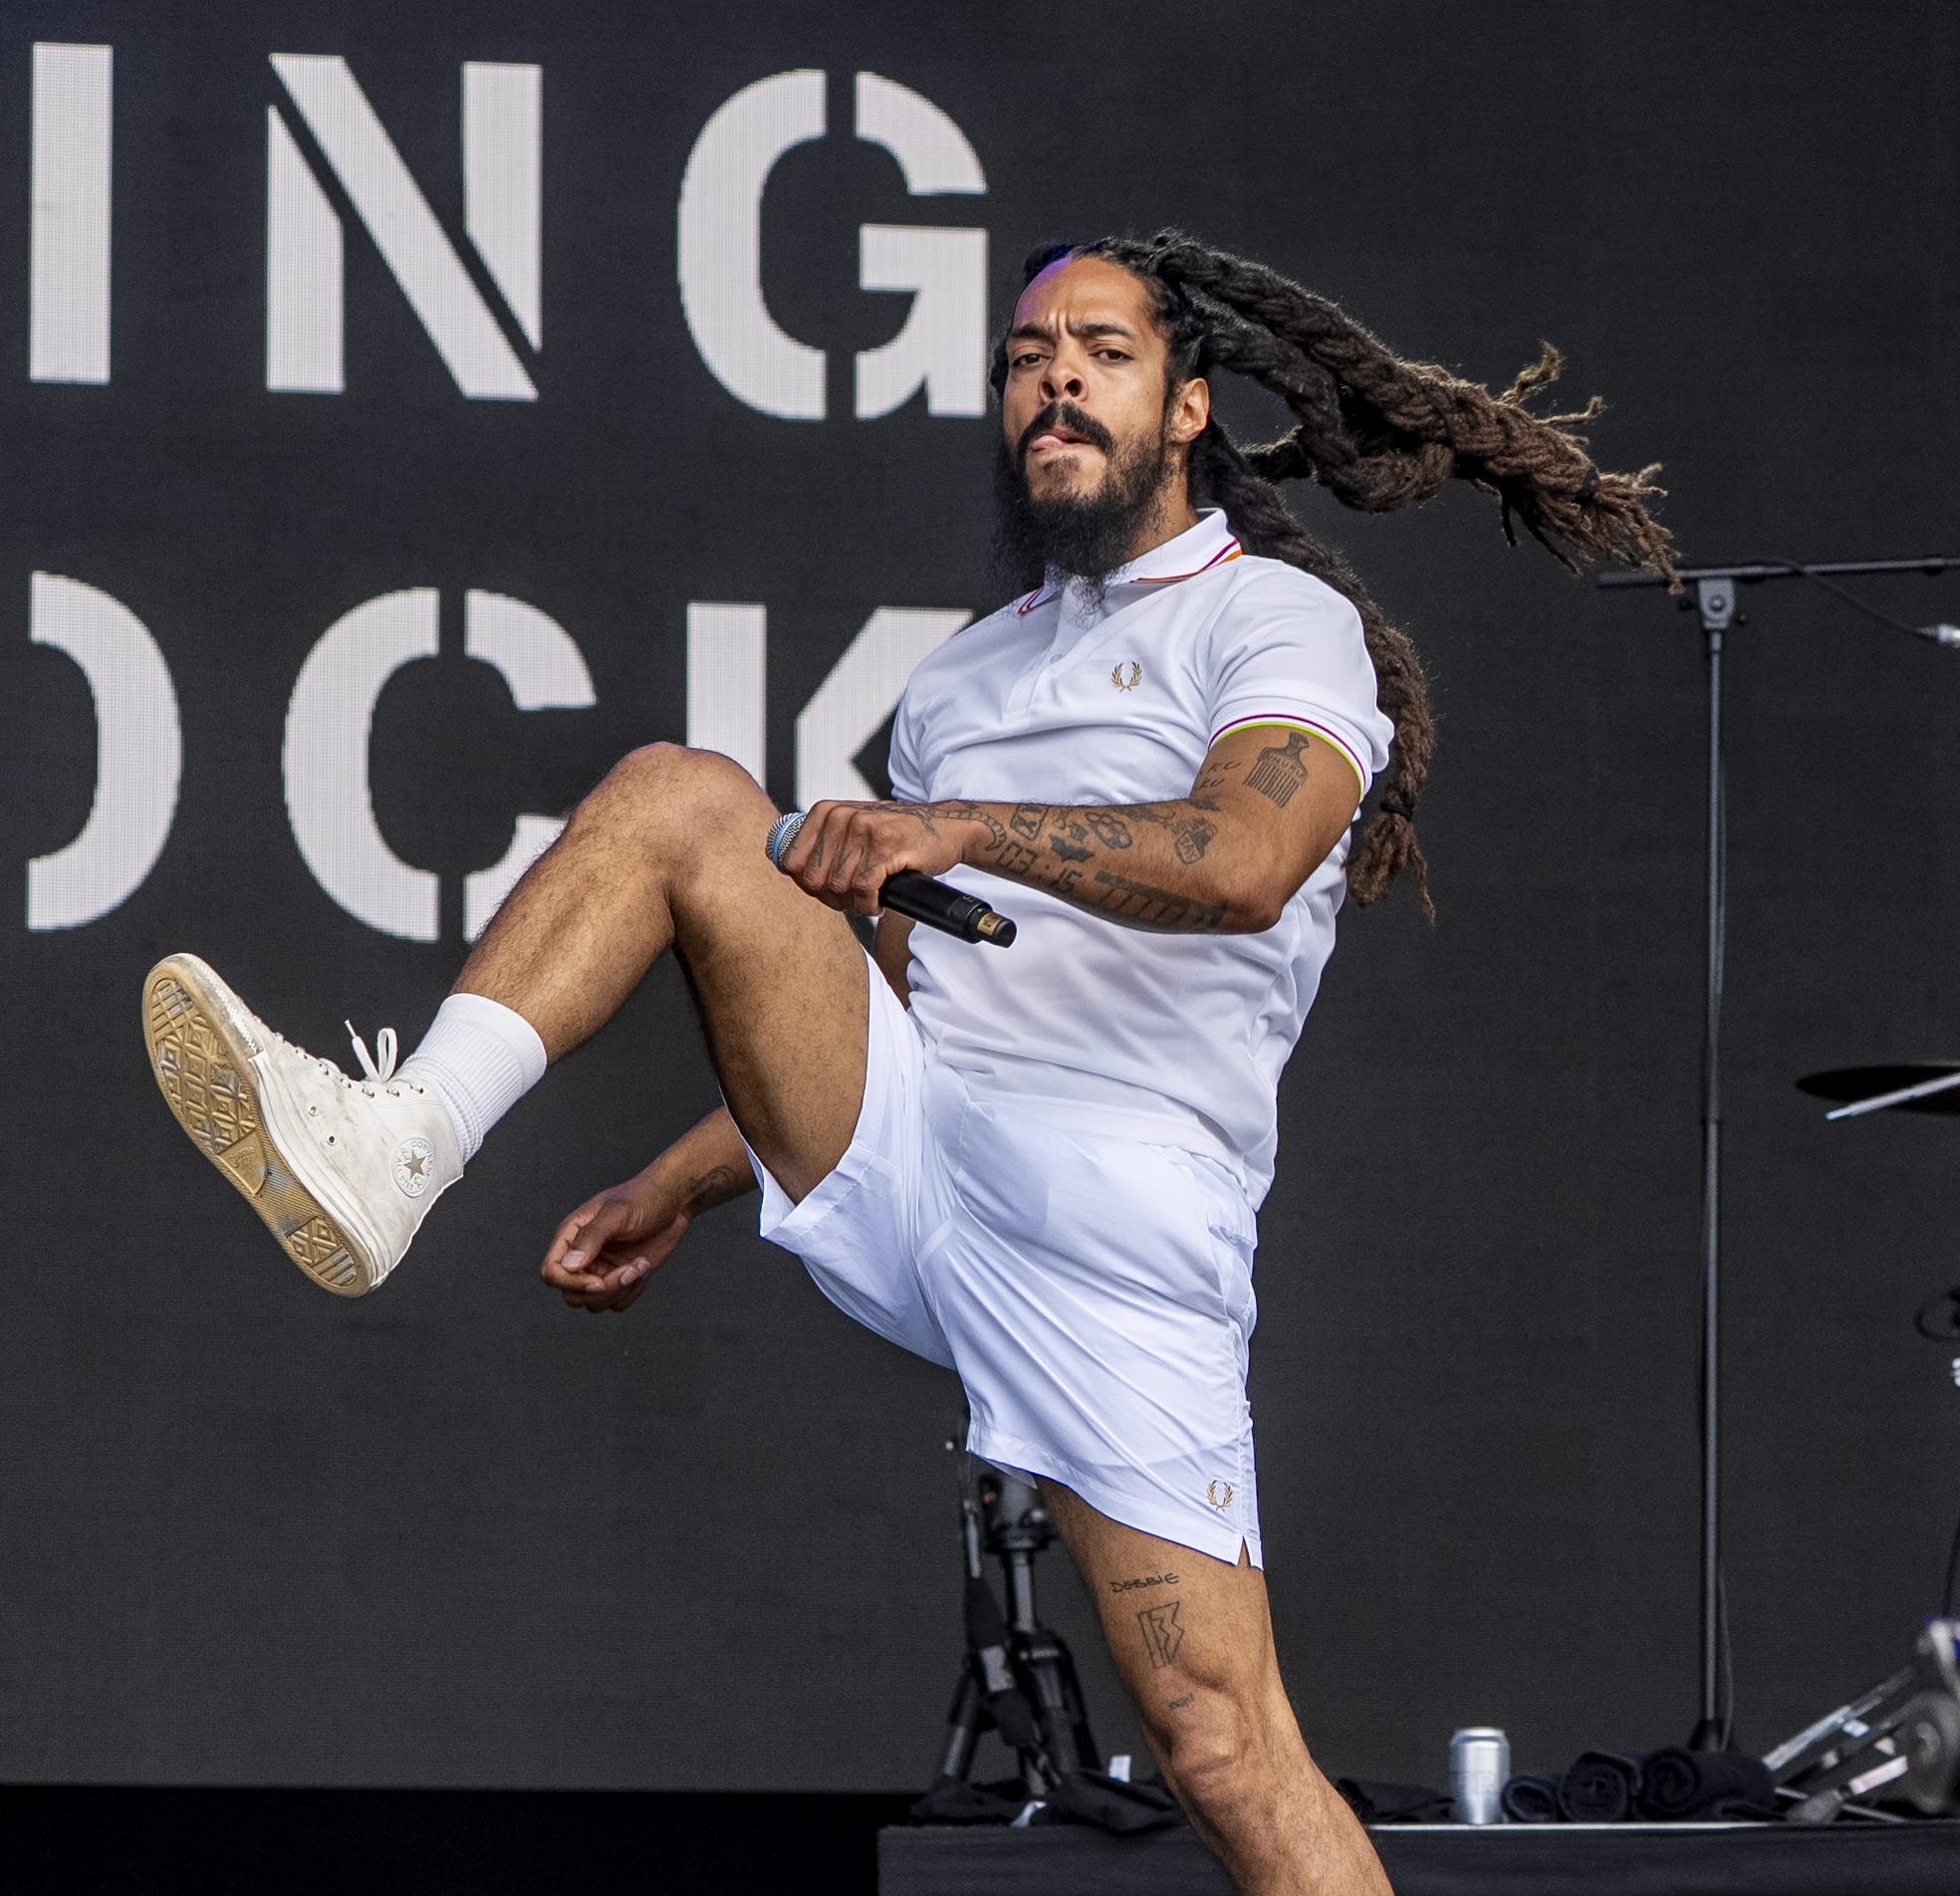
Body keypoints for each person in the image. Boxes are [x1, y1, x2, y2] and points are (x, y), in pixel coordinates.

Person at [140, 231, 1673, 1895]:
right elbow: (895, 996)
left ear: (1187, 407)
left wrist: (951, 826)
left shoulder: (1276, 621)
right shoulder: (961, 676)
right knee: (682, 797)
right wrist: (675, 1185)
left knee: (1222, 1743)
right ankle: (403, 1142)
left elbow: (1244, 861)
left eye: (1102, 352)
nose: (1056, 381)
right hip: (917, 1152)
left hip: (1116, 1216)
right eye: (1027, 359)